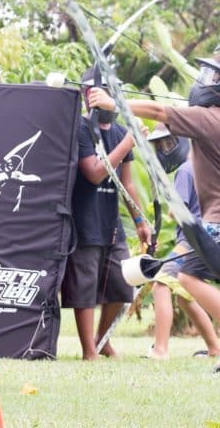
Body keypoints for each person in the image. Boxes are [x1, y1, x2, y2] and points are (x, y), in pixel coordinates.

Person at [88, 51, 220, 371]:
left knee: (188, 277)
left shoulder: (210, 117)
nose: (204, 82)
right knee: (189, 278)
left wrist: (112, 102)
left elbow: (159, 110)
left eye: (213, 77)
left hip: (216, 222)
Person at [61, 67, 152, 360]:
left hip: (111, 222)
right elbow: (95, 173)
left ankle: (103, 339)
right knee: (85, 285)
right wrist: (131, 141)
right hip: (85, 220)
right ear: (91, 95)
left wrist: (140, 220)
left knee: (122, 280)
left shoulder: (121, 132)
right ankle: (89, 350)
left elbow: (126, 183)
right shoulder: (80, 128)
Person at [146, 124, 220, 360]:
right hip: (204, 237)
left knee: (160, 283)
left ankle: (160, 349)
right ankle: (214, 348)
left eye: (168, 143)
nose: (164, 149)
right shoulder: (203, 165)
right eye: (160, 145)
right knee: (185, 296)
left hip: (191, 240)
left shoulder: (185, 170)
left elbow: (179, 211)